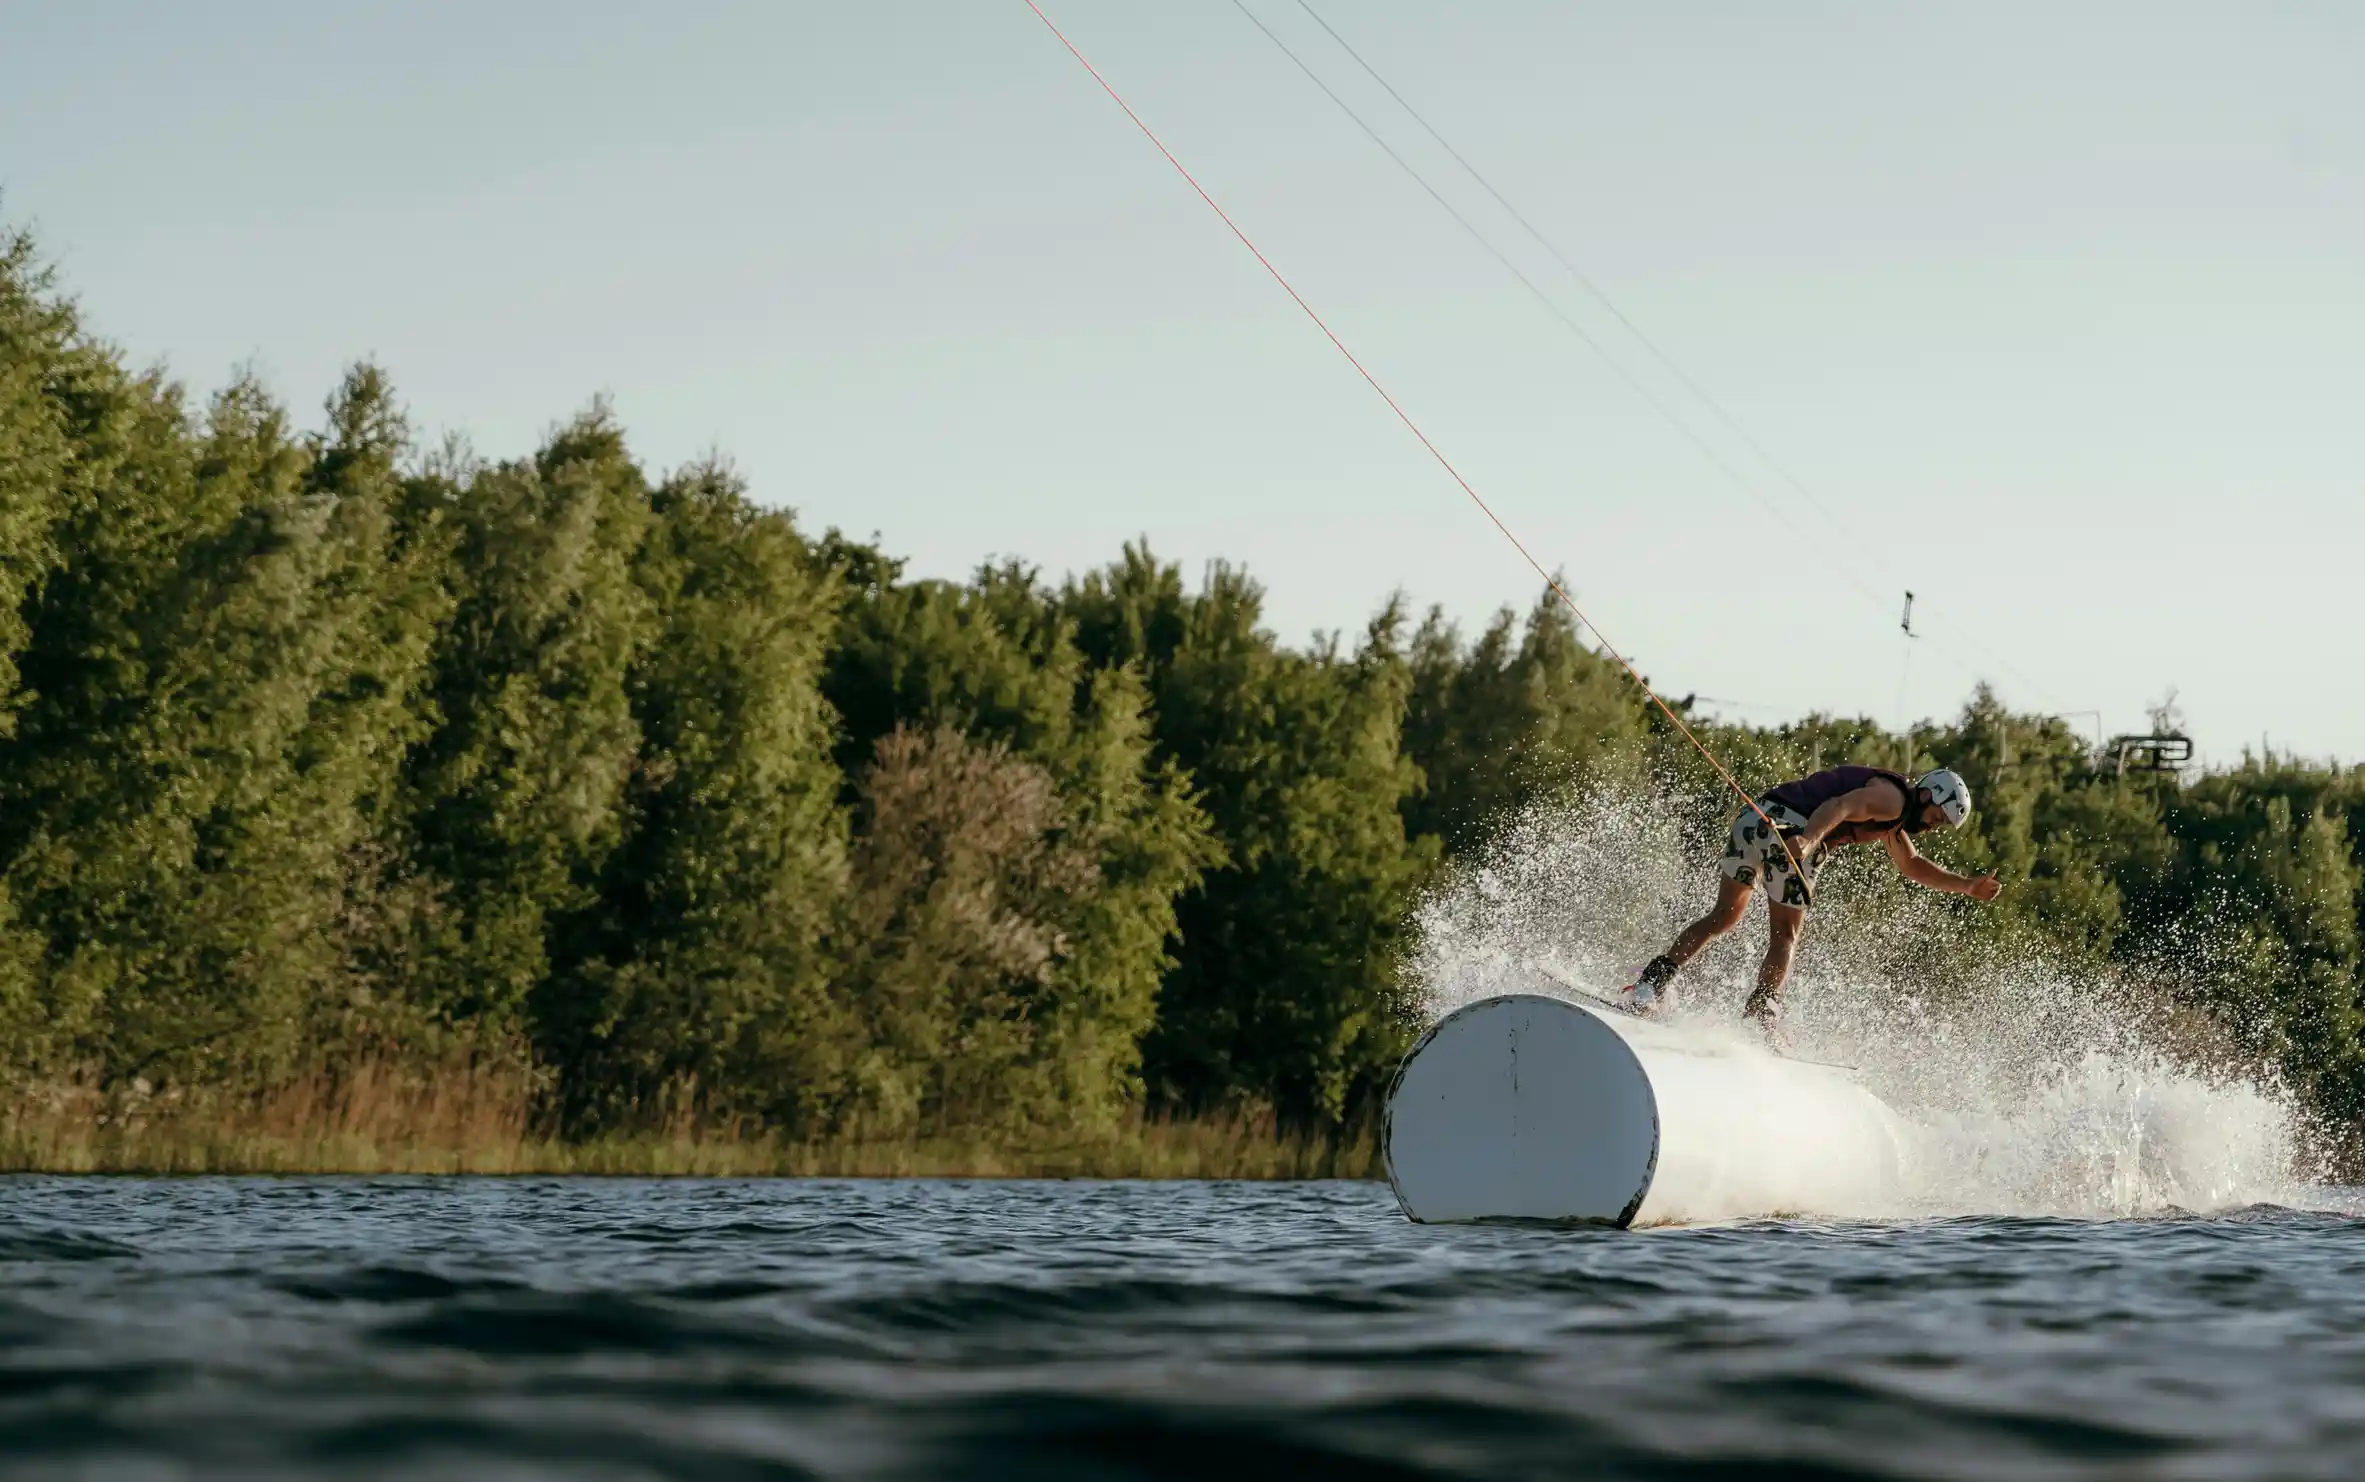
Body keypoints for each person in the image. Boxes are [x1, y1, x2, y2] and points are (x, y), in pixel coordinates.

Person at [1619, 765, 2001, 1038]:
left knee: (1723, 916)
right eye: (1938, 816)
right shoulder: (1892, 799)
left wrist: (1967, 886)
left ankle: (1651, 984)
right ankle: (1760, 1016)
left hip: (1754, 820)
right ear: (1928, 794)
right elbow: (1841, 807)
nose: (1935, 825)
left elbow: (1912, 864)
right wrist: (1809, 838)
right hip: (1790, 832)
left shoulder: (1895, 812)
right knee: (1785, 935)